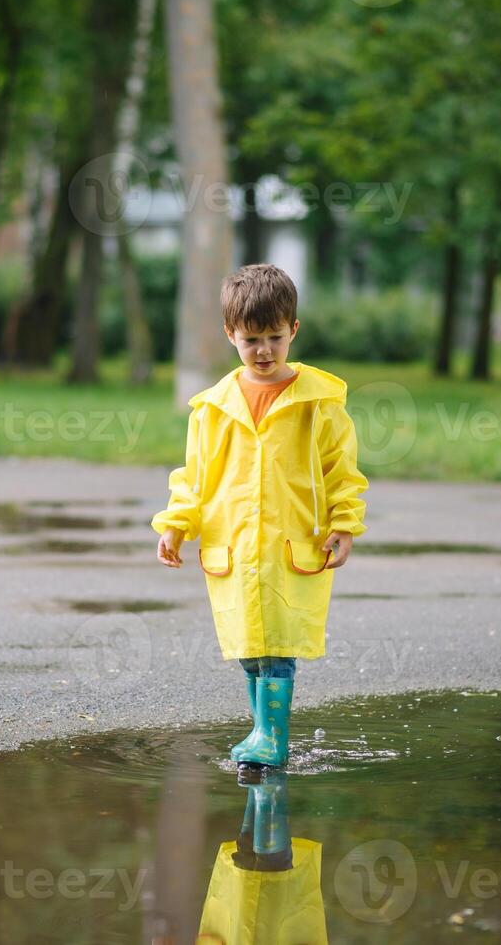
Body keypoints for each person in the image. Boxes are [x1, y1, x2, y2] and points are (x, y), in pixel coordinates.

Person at [152, 263, 369, 769]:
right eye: (252, 340)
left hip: (290, 543)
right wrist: (175, 523)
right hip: (233, 547)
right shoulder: (212, 409)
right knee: (249, 643)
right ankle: (260, 729)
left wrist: (344, 523)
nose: (265, 350)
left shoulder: (319, 402)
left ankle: (273, 737)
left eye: (275, 336)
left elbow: (342, 469)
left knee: (278, 644)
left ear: (294, 329)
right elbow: (195, 475)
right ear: (231, 334)